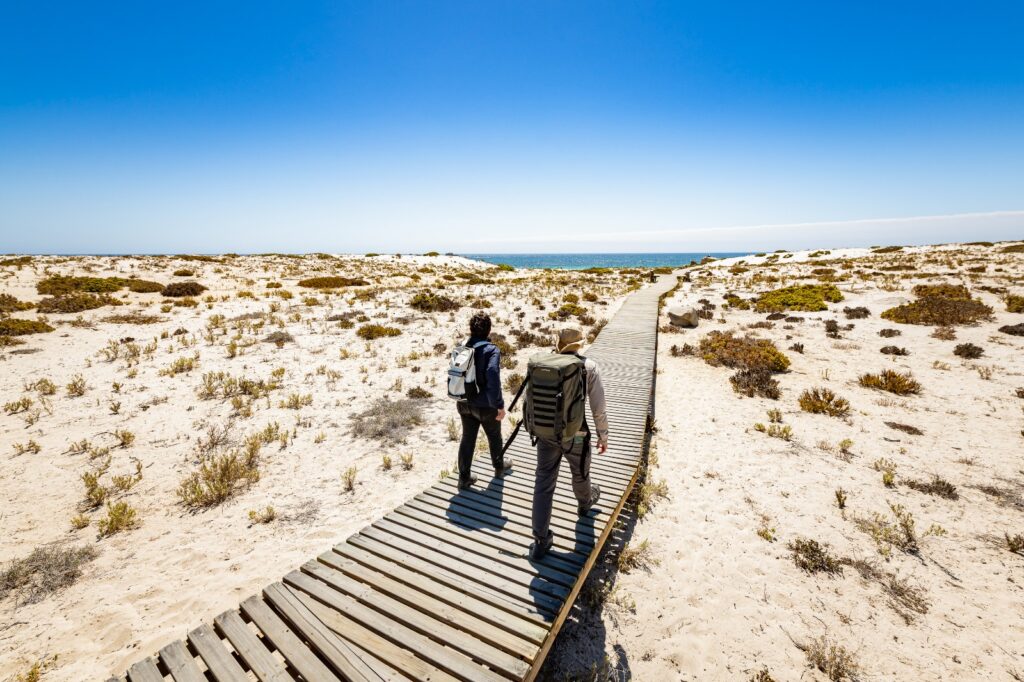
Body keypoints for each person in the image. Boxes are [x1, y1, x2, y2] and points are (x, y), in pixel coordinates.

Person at [531, 328, 608, 559]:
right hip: (576, 434)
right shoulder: (588, 367)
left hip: (546, 434)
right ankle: (585, 504)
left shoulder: (544, 366)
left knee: (543, 484)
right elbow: (598, 408)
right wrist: (603, 436)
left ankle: (540, 540)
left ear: (558, 344)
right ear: (579, 345)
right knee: (580, 473)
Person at [456, 311, 513, 490]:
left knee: (467, 439)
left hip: (464, 401)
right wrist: (499, 405)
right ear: (489, 330)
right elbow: (493, 378)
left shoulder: (462, 346)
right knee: (494, 435)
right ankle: (498, 467)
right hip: (484, 405)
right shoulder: (491, 350)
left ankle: (464, 477)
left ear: (471, 329)